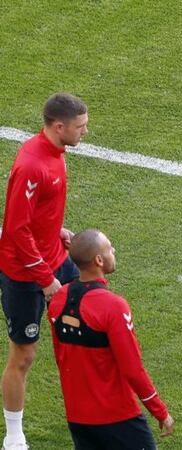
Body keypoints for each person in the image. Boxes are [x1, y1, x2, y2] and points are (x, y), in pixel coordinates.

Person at [0, 93, 88, 449]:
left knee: (88, 324)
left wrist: (57, 231)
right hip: (25, 275)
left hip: (56, 258)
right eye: (80, 126)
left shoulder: (57, 152)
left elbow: (38, 215)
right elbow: (16, 230)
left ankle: (91, 410)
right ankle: (14, 435)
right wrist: (46, 280)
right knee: (24, 354)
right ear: (59, 126)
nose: (85, 132)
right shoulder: (32, 166)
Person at [47, 229, 174, 449]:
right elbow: (133, 369)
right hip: (118, 417)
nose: (113, 250)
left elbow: (62, 358)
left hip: (78, 417)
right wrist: (160, 411)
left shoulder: (58, 299)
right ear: (98, 260)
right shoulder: (113, 306)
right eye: (109, 248)